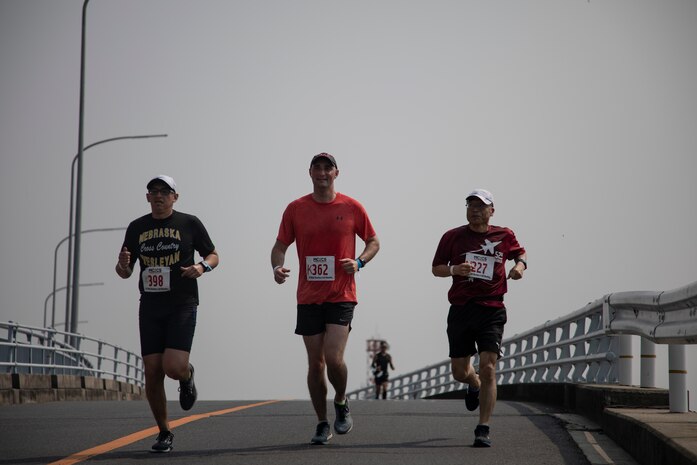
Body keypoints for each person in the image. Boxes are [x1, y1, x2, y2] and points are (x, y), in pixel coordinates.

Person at [271, 153, 380, 445]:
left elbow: (373, 241)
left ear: (336, 173)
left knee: (333, 358)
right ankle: (321, 422)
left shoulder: (351, 206)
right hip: (308, 296)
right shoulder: (296, 208)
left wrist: (359, 262)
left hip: (341, 293)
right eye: (317, 168)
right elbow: (280, 246)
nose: (322, 172)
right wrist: (277, 267)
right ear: (310, 173)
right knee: (316, 364)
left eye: (327, 168)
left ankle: (341, 400)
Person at [115, 175, 219, 453]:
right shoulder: (137, 227)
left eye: (165, 191)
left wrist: (201, 267)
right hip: (150, 305)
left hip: (182, 303)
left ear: (175, 197)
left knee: (172, 366)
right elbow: (124, 271)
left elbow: (213, 255)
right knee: (152, 370)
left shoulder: (189, 223)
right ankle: (164, 431)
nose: (159, 195)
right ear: (147, 197)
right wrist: (123, 265)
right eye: (154, 191)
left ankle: (186, 375)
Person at [431, 188, 526, 448]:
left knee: (488, 367)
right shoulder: (452, 237)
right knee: (460, 372)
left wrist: (519, 267)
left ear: (491, 211)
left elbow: (520, 254)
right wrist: (454, 269)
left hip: (492, 309)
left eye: (481, 206)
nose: (474, 210)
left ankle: (483, 428)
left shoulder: (504, 235)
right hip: (461, 309)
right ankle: (473, 383)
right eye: (470, 205)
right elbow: (436, 268)